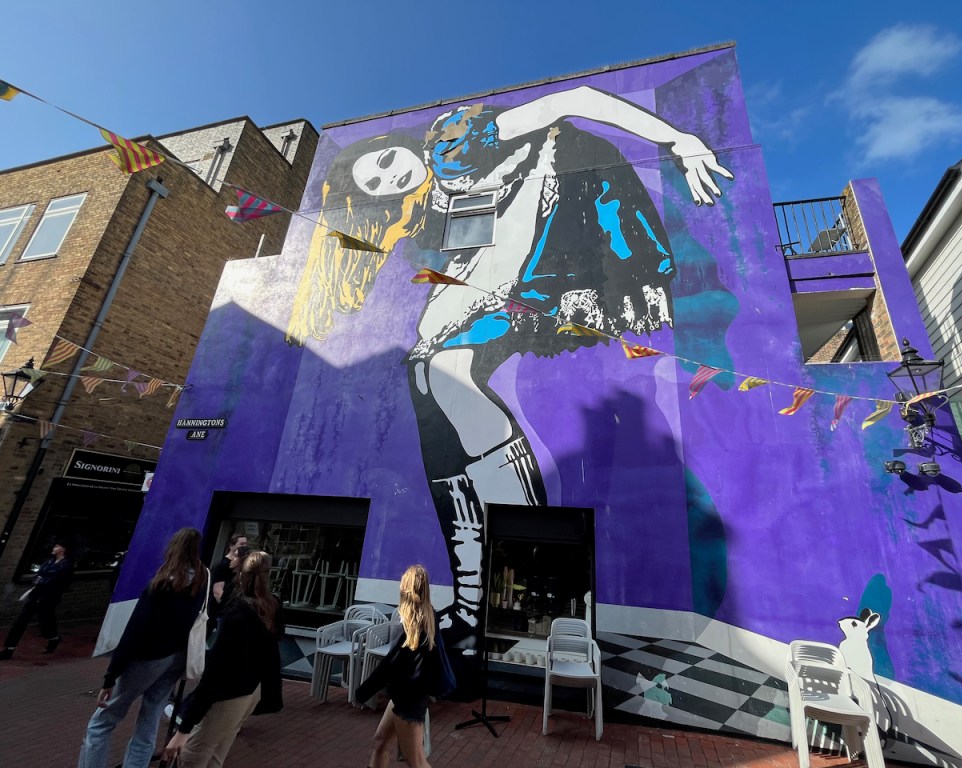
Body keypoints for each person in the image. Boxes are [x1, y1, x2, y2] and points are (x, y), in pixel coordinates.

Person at [287, 85, 734, 644]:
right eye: (375, 186)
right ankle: (475, 597)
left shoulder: (454, 139)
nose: (389, 177)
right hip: (509, 260)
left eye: (381, 162)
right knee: (424, 375)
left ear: (392, 143)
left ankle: (525, 571)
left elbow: (573, 100)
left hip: (570, 212)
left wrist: (677, 139)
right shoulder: (426, 205)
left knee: (445, 369)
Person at [77, 527, 208, 768]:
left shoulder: (161, 584)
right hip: (177, 657)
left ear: (173, 548)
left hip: (149, 657)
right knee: (150, 717)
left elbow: (135, 631)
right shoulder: (202, 579)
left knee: (104, 720)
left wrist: (111, 676)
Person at [162, 551, 283, 768]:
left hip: (229, 695)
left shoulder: (237, 615)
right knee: (217, 754)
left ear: (239, 575)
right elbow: (272, 651)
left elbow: (215, 673)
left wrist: (184, 729)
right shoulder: (271, 605)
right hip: (251, 691)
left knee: (193, 754)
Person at [355, 564, 446, 768]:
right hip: (406, 697)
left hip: (407, 700)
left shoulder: (413, 624)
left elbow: (390, 664)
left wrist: (363, 691)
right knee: (380, 741)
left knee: (416, 761)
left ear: (406, 589)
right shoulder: (428, 617)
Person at [0, 539, 74, 659]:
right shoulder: (50, 561)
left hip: (48, 598)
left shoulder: (66, 565)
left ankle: (54, 638)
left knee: (45, 622)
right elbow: (40, 574)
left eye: (57, 546)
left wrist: (42, 581)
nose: (54, 548)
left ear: (63, 549)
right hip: (36, 594)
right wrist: (38, 579)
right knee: (21, 620)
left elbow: (58, 582)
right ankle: (9, 648)